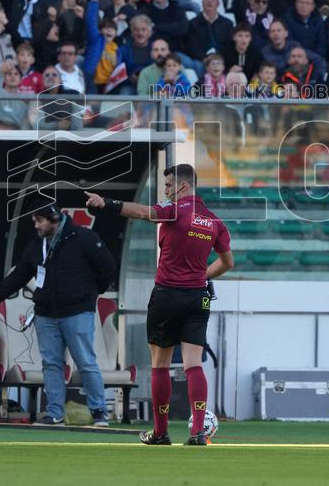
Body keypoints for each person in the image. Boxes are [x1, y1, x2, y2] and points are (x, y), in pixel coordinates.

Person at [84, 164, 234, 446]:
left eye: (167, 186)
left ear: (182, 187)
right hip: (197, 297)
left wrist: (107, 203)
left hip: (167, 295)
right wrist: (202, 276)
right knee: (193, 365)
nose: (165, 192)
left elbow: (142, 213)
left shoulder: (175, 210)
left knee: (160, 365)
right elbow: (228, 263)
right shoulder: (214, 221)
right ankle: (197, 432)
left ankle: (161, 432)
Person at [0, 202, 116, 425]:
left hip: (77, 312)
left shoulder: (84, 238)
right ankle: (54, 413)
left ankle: (99, 410)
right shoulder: (37, 244)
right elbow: (20, 275)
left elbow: (108, 267)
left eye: (39, 220)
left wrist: (89, 294)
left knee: (85, 361)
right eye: (34, 221)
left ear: (54, 219)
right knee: (51, 364)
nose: (36, 225)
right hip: (45, 314)